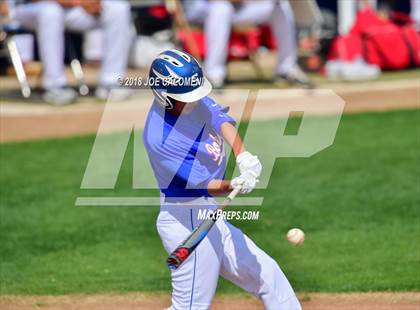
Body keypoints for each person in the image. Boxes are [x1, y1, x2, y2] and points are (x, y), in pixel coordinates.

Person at [143, 49, 301, 310]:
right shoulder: (160, 138)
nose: (194, 102)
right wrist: (234, 184)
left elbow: (218, 118)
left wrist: (244, 156)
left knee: (267, 275)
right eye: (187, 98)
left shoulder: (187, 100)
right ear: (164, 97)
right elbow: (204, 186)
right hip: (187, 222)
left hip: (207, 212)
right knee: (191, 307)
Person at [9, 0, 131, 105]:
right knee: (51, 12)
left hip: (72, 8)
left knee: (118, 9)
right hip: (26, 8)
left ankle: (110, 83)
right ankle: (55, 87)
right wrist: (79, 2)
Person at [185, 0, 312, 88]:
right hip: (202, 8)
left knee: (280, 5)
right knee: (221, 9)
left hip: (238, 8)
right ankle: (214, 73)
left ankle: (286, 68)